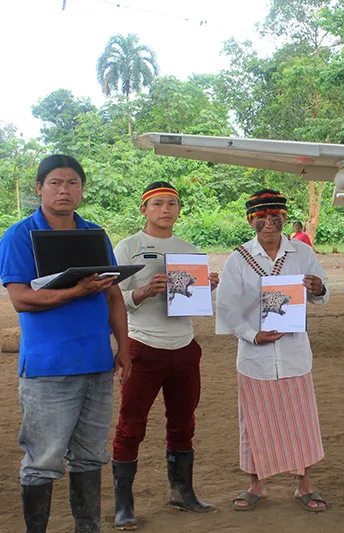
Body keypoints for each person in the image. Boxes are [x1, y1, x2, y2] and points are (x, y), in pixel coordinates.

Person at [0, 154, 131, 533]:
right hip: (48, 368)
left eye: (73, 182)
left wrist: (124, 348)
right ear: (39, 188)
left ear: (82, 189)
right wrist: (76, 291)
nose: (64, 190)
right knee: (42, 460)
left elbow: (113, 295)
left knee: (90, 455)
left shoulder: (94, 234)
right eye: (55, 182)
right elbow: (21, 299)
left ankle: (87, 528)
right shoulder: (19, 236)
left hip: (97, 363)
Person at [111, 182, 220, 529]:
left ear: (179, 209)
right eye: (158, 203)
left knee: (183, 422)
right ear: (143, 209)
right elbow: (113, 298)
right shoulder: (127, 247)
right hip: (143, 345)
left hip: (184, 346)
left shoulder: (189, 250)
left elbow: (192, 301)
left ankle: (182, 492)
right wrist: (142, 292)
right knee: (131, 425)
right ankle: (124, 504)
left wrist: (205, 287)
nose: (166, 209)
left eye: (172, 203)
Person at [216, 189, 329, 513]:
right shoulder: (239, 258)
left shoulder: (302, 252)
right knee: (254, 423)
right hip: (255, 358)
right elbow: (226, 307)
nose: (269, 222)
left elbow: (321, 293)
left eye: (275, 216)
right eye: (261, 217)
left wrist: (319, 288)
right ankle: (256, 485)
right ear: (250, 220)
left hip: (294, 355)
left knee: (301, 422)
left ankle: (304, 485)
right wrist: (253, 335)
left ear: (284, 218)